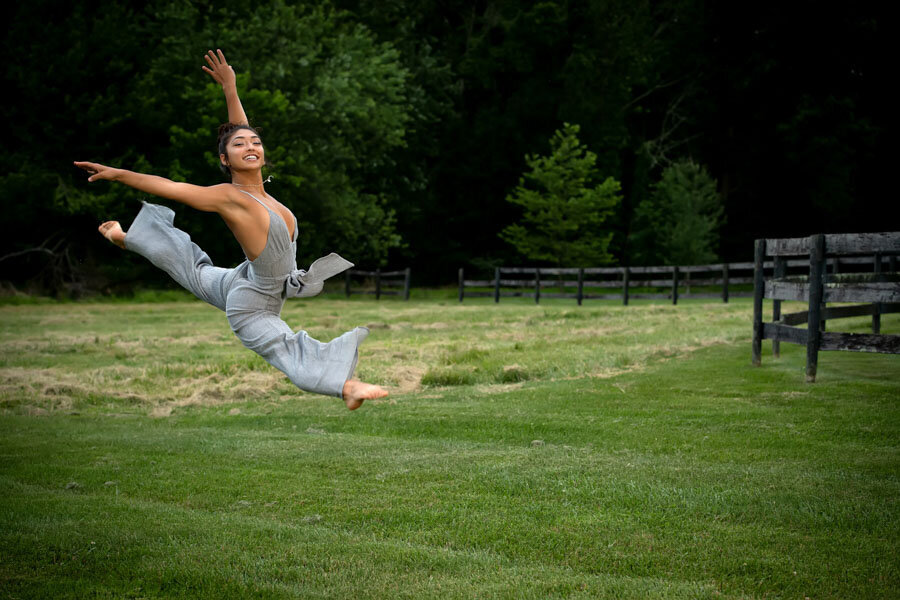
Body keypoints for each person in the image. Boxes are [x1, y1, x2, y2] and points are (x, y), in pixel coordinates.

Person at [74, 49, 388, 410]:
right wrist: (117, 174)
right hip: (251, 308)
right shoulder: (229, 197)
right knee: (286, 346)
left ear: (263, 153)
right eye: (239, 146)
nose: (250, 146)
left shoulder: (264, 194)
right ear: (225, 160)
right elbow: (170, 186)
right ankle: (348, 387)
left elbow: (240, 131)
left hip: (239, 280)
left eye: (256, 143)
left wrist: (230, 88)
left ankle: (124, 238)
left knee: (193, 268)